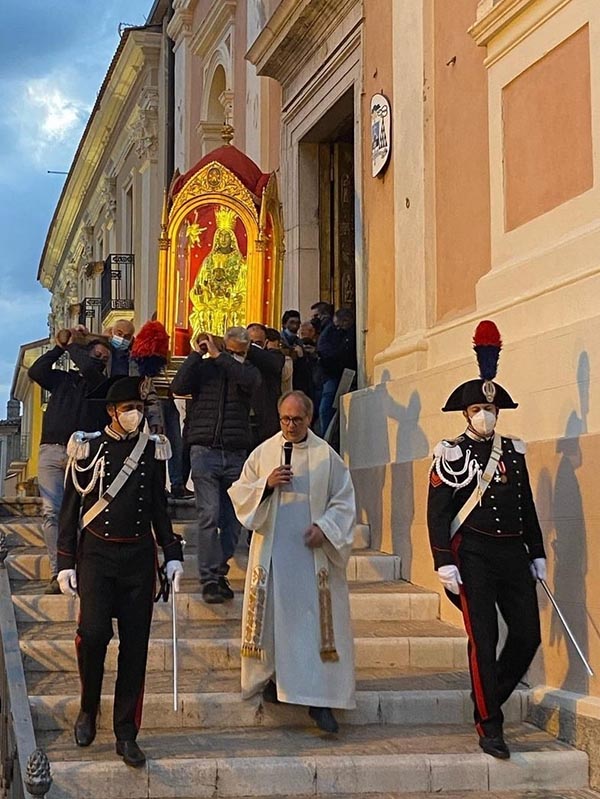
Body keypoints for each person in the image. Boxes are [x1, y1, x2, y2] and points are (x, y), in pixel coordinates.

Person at [427, 320, 546, 760]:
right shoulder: (450, 452)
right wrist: (444, 560)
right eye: (478, 408)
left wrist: (537, 552)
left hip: (512, 552)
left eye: (490, 408)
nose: (485, 414)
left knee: (528, 635)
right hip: (473, 553)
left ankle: (487, 696)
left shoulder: (513, 451)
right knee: (484, 636)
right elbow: (438, 511)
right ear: (466, 413)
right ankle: (490, 725)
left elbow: (526, 504)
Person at [56, 376, 183, 768]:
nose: (136, 414)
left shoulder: (152, 450)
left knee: (135, 648)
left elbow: (159, 506)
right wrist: (64, 563)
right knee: (92, 635)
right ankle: (88, 707)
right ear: (112, 411)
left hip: (138, 560)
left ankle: (126, 732)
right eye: (129, 408)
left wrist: (172, 554)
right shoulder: (87, 447)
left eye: (140, 408)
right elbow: (70, 509)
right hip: (97, 556)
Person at [228, 390, 357, 733]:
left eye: (297, 419)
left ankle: (320, 702)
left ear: (309, 419)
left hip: (313, 561)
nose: (290, 425)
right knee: (275, 625)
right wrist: (266, 486)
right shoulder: (263, 452)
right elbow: (240, 492)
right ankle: (275, 683)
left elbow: (345, 502)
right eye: (285, 419)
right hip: (273, 558)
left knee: (313, 629)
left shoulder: (326, 457)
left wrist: (325, 528)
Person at [170, 327, 260, 603]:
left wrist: (222, 357)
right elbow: (178, 386)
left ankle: (219, 570)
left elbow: (248, 381)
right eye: (231, 351)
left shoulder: (249, 371)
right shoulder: (205, 369)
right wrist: (195, 355)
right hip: (204, 450)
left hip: (235, 452)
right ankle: (209, 578)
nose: (235, 357)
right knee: (209, 514)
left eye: (239, 353)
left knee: (233, 520)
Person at [28, 328, 110, 594]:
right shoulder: (63, 380)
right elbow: (36, 371)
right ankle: (58, 571)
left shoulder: (101, 385)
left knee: (78, 513)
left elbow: (89, 370)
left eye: (104, 358)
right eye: (97, 354)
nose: (100, 360)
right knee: (51, 512)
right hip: (51, 450)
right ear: (87, 353)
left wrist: (72, 345)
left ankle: (78, 568)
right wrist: (59, 348)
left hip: (82, 453)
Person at [316, 308, 357, 435]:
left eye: (339, 325)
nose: (338, 328)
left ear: (347, 321)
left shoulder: (349, 333)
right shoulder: (332, 332)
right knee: (326, 408)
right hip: (332, 374)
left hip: (341, 374)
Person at [246, 323, 285, 448]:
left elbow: (274, 364)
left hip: (265, 422)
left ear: (266, 342)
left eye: (257, 343)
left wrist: (248, 348)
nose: (253, 345)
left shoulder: (274, 357)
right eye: (250, 342)